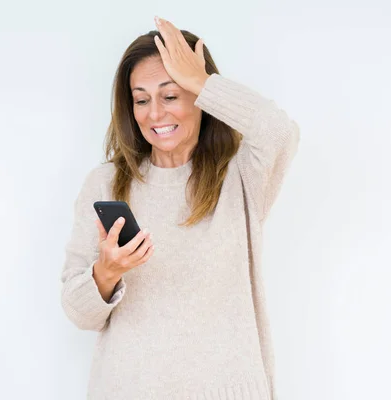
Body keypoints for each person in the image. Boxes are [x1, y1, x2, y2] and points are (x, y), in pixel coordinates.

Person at [60, 16, 300, 400]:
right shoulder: (106, 183)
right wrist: (106, 273)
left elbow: (280, 131)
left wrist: (204, 82)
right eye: (141, 99)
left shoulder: (240, 177)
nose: (155, 114)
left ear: (199, 98)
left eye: (171, 95)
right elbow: (78, 312)